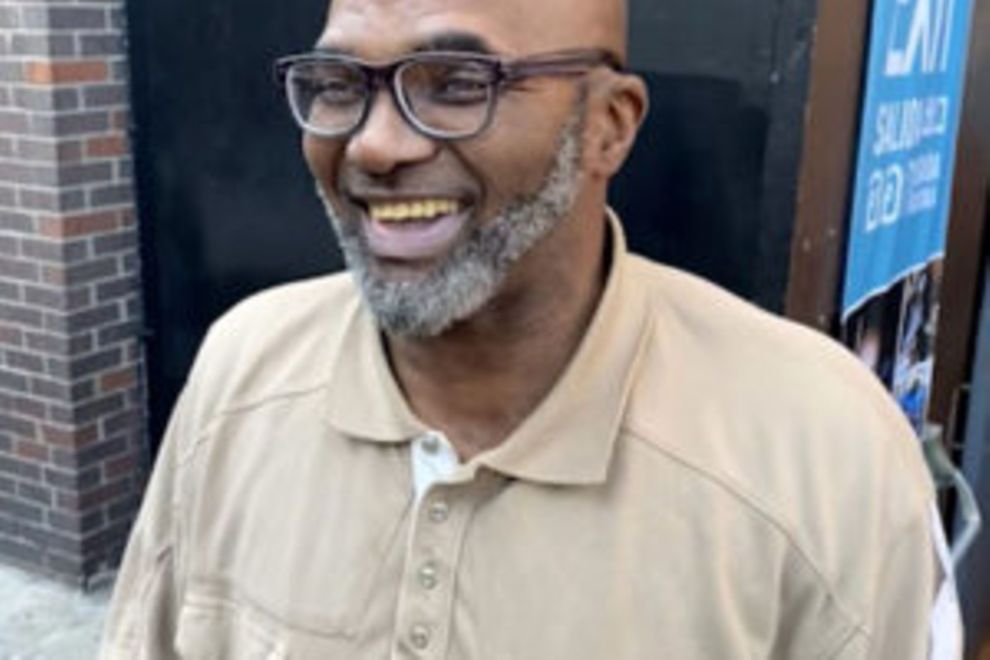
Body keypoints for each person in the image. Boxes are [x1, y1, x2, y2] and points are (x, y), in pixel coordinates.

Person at [100, 0, 962, 657]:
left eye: (458, 84)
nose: (374, 145)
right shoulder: (244, 373)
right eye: (337, 86)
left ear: (609, 126)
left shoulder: (823, 454)